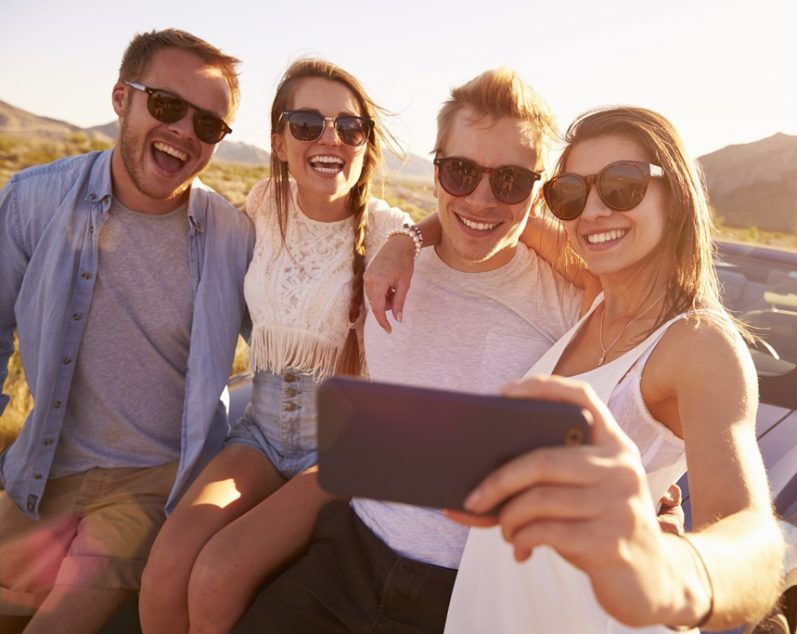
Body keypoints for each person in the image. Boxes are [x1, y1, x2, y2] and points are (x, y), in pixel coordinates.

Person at [232, 66, 590, 633]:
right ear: (437, 169)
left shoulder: (572, 303)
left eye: (510, 182)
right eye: (461, 171)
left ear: (539, 189)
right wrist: (409, 239)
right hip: (352, 548)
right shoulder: (392, 264)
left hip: (471, 590)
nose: (480, 198)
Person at [444, 106, 784, 631]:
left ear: (675, 195)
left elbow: (757, 541)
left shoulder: (698, 343)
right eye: (571, 193)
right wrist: (406, 241)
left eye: (622, 186)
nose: (593, 211)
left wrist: (665, 569)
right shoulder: (595, 296)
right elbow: (486, 216)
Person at [138, 58, 421, 634]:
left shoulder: (393, 231)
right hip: (263, 430)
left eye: (349, 127)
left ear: (365, 144)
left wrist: (419, 237)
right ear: (279, 140)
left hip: (342, 448)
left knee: (218, 574)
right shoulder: (265, 205)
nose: (329, 139)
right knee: (167, 564)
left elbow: (468, 238)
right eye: (307, 123)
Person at [0, 29, 252, 634]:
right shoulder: (33, 200)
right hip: (42, 468)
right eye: (167, 106)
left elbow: (296, 337)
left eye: (209, 126)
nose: (185, 133)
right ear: (122, 98)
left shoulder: (232, 236)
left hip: (154, 484)